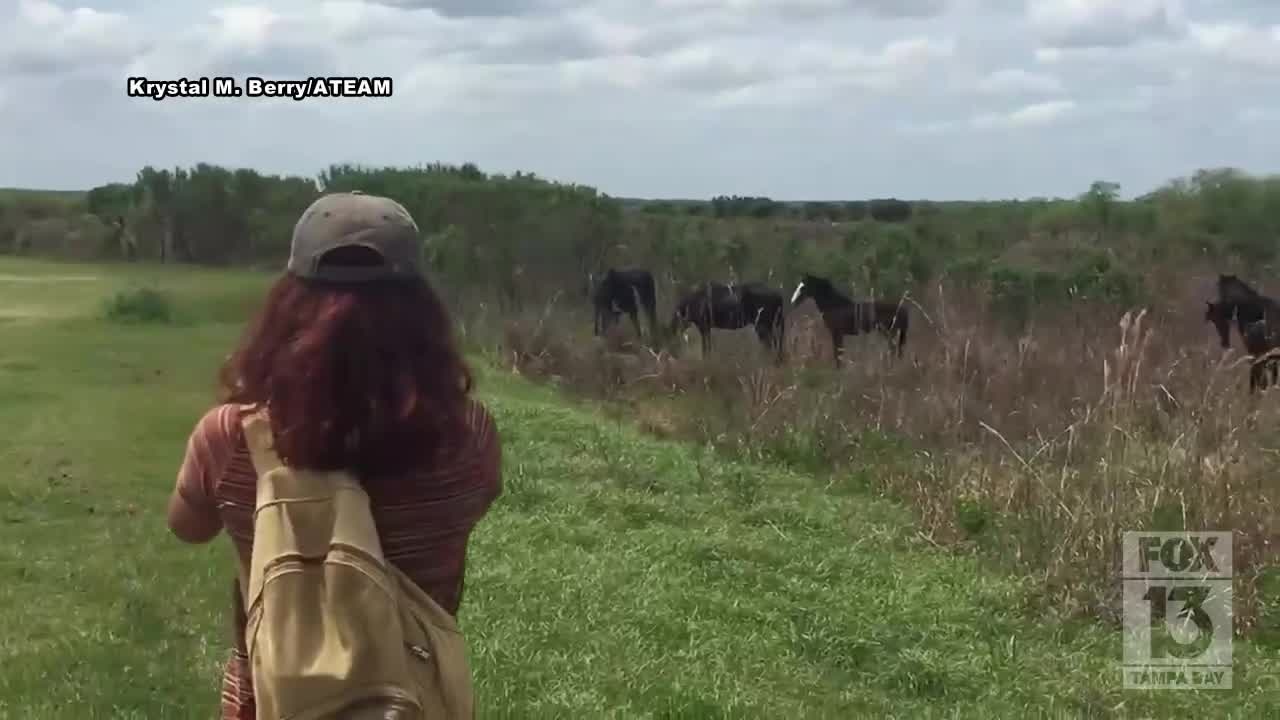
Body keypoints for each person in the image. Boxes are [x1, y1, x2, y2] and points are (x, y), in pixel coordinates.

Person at [165, 191, 502, 720]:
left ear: (287, 306)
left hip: (269, 700)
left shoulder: (230, 437)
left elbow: (186, 527)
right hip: (413, 700)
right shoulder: (469, 433)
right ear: (422, 312)